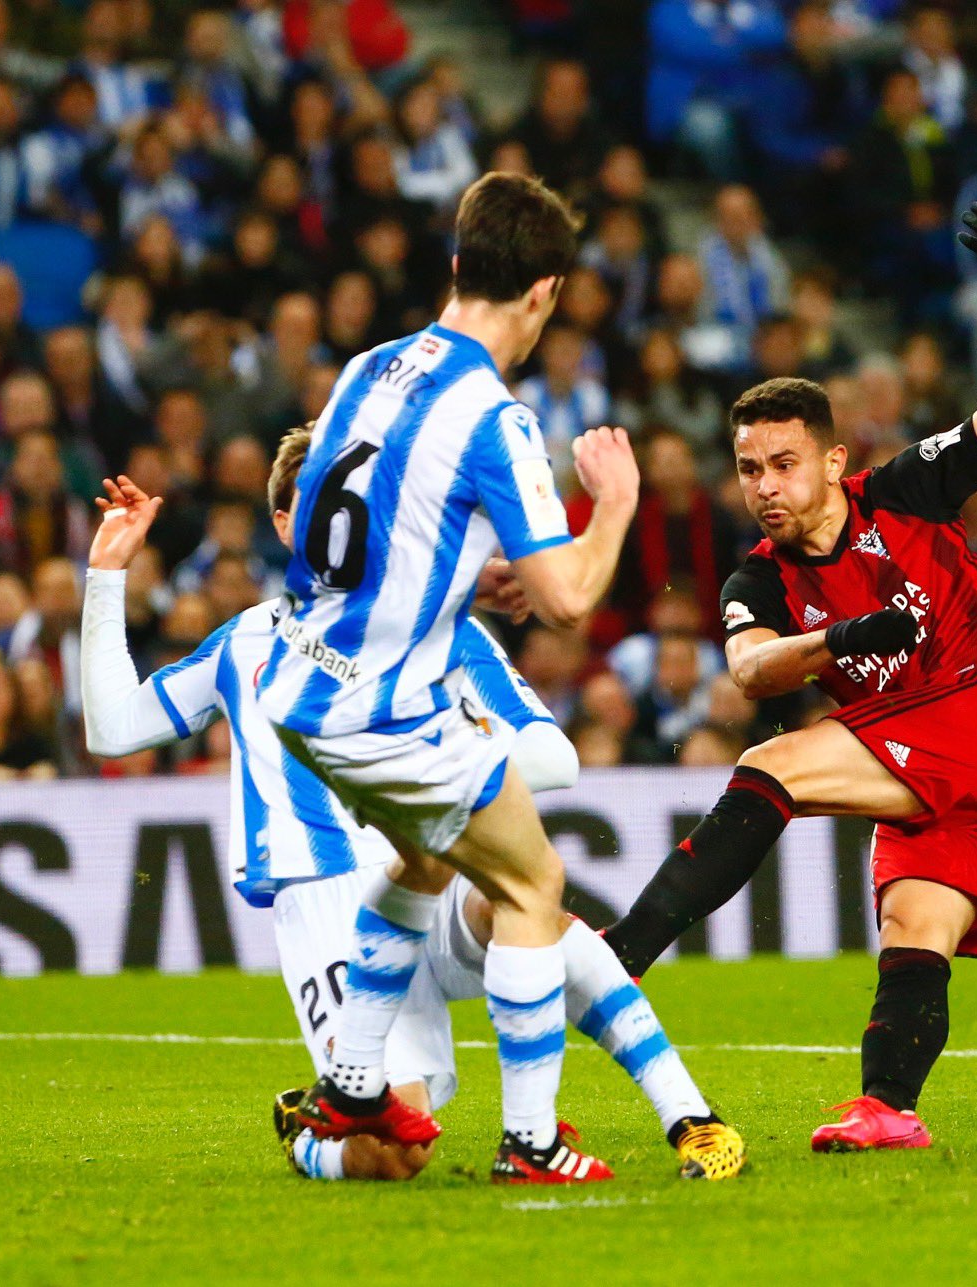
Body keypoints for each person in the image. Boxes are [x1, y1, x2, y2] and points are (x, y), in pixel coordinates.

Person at [81, 429, 741, 1184]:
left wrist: (431, 766)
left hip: (431, 869)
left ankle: (691, 1117)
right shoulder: (248, 641)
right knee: (397, 1155)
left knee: (527, 901)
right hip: (323, 897)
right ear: (284, 525)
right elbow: (114, 729)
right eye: (315, 504)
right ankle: (310, 1134)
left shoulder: (444, 626)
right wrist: (105, 574)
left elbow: (552, 757)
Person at [601, 200, 977, 1153]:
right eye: (747, 469)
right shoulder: (757, 577)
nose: (765, 485)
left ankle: (620, 959)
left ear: (834, 461)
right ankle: (888, 1108)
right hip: (944, 767)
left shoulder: (906, 490)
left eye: (783, 463)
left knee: (774, 767)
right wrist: (836, 640)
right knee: (914, 922)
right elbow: (750, 666)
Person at [258, 173, 655, 1184]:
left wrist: (461, 579)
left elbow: (315, 525)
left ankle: (351, 1082)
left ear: (455, 266)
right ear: (546, 294)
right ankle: (530, 1145)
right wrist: (611, 504)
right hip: (387, 711)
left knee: (423, 861)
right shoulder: (496, 417)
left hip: (305, 693)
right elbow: (566, 600)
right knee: (531, 882)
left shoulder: (367, 367)